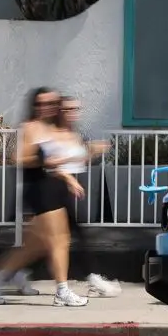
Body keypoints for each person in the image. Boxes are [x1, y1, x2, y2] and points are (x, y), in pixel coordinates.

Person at [0, 87, 89, 306]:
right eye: (41, 104)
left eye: (51, 103)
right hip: (39, 190)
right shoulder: (31, 127)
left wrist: (68, 178)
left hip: (53, 187)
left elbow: (56, 162)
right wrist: (42, 159)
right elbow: (18, 158)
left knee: (33, 247)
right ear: (35, 106)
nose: (46, 108)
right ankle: (62, 291)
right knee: (60, 240)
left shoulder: (52, 128)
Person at [53, 94, 121, 297]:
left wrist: (92, 151)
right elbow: (51, 164)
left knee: (46, 241)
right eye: (67, 109)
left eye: (75, 109)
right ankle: (93, 278)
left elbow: (78, 161)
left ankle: (15, 273)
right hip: (51, 191)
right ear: (59, 112)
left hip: (64, 192)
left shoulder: (73, 134)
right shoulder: (55, 133)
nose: (72, 113)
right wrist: (69, 179)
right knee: (74, 235)